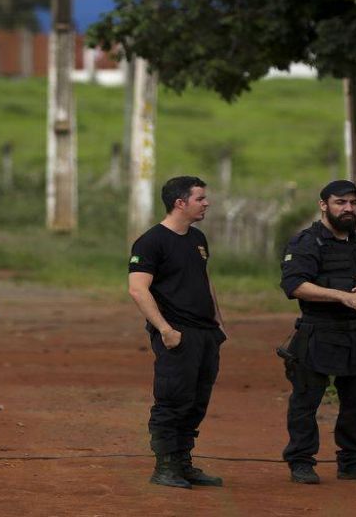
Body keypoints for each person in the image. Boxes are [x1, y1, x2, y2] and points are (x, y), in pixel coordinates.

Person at [278, 180, 356, 485]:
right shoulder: (306, 243)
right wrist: (343, 296)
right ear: (324, 205)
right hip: (318, 332)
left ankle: (353, 462)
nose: (348, 208)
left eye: (353, 203)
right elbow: (294, 286)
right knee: (305, 402)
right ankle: (301, 462)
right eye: (340, 202)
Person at [128, 175, 227, 489]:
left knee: (197, 401)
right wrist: (165, 330)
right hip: (176, 334)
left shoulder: (197, 239)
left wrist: (218, 323)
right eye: (200, 198)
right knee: (173, 401)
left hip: (205, 334)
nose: (206, 203)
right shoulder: (151, 242)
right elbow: (138, 290)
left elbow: (204, 280)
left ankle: (183, 463)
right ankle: (166, 466)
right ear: (180, 203)